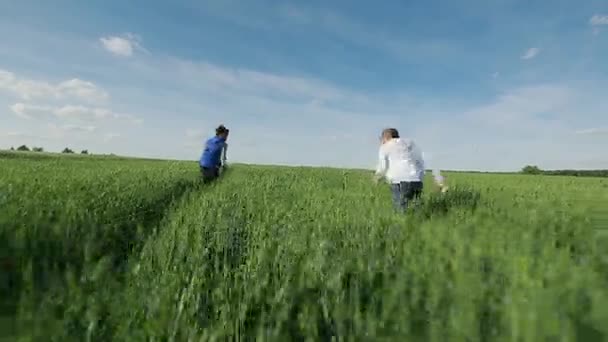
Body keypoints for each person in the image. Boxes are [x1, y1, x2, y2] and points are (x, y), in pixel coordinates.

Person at [373, 128, 425, 212]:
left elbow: (383, 167)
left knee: (401, 211)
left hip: (400, 182)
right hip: (417, 181)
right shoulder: (410, 143)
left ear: (385, 137)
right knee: (416, 210)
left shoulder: (385, 146)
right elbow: (420, 162)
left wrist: (376, 178)